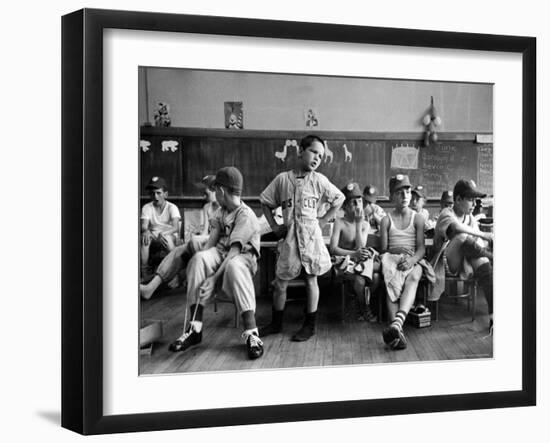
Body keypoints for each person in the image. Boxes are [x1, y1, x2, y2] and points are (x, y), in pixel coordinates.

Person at [167, 166, 264, 360]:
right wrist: (199, 267)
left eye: (215, 189)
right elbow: (211, 243)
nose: (213, 193)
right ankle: (195, 328)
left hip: (242, 259)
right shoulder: (221, 211)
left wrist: (213, 279)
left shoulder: (245, 215)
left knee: (233, 265)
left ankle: (252, 334)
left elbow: (234, 252)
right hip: (222, 253)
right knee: (199, 258)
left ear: (220, 190)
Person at [258, 134, 345, 341]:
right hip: (289, 238)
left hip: (311, 238)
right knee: (280, 282)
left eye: (321, 156)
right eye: (314, 152)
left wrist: (323, 221)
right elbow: (265, 201)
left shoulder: (319, 181)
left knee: (311, 279)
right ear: (300, 151)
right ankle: (276, 323)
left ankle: (310, 325)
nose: (317, 158)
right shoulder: (282, 179)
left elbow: (339, 199)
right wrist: (274, 225)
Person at [430, 179, 494, 332]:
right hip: (444, 264)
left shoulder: (470, 218)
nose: (473, 204)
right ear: (458, 200)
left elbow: (478, 244)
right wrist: (484, 235)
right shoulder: (447, 213)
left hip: (466, 263)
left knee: (483, 263)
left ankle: (493, 316)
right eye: (470, 200)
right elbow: (457, 229)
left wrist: (482, 242)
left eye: (474, 200)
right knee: (462, 236)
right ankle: (493, 258)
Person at [379, 175, 434, 350]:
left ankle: (396, 324)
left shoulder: (418, 218)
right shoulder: (386, 220)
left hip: (411, 259)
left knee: (415, 276)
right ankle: (397, 328)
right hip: (392, 259)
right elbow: (384, 249)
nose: (404, 195)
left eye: (408, 191)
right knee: (391, 283)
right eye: (399, 192)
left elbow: (421, 249)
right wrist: (395, 258)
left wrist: (411, 261)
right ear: (391, 196)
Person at [329, 182, 379, 321]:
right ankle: (364, 307)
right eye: (353, 203)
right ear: (344, 206)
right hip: (344, 262)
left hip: (360, 261)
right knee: (360, 281)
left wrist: (358, 224)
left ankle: (358, 301)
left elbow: (360, 246)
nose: (358, 206)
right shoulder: (339, 222)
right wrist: (353, 254)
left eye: (360, 201)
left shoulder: (364, 224)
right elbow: (333, 249)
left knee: (376, 278)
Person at [140, 176, 181, 282]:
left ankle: (175, 274)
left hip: (169, 234)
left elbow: (175, 227)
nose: (155, 196)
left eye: (158, 193)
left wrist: (164, 233)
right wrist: (146, 231)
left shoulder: (172, 207)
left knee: (167, 240)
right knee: (144, 239)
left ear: (165, 194)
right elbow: (144, 225)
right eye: (152, 193)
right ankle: (144, 273)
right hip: (154, 235)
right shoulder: (147, 207)